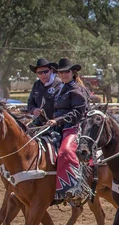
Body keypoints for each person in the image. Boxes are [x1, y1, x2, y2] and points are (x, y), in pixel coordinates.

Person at [45, 58, 89, 202]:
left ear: (73, 72)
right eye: (61, 72)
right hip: (59, 127)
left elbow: (77, 113)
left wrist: (57, 120)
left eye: (66, 72)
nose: (63, 74)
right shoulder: (61, 89)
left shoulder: (76, 89)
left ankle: (72, 187)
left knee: (65, 152)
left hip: (74, 127)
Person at [27, 58, 61, 125]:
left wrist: (56, 119)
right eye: (40, 73)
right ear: (37, 74)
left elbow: (64, 106)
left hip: (57, 123)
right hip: (39, 122)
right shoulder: (36, 85)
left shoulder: (59, 84)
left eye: (45, 71)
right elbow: (30, 103)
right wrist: (34, 110)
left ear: (51, 71)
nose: (43, 75)